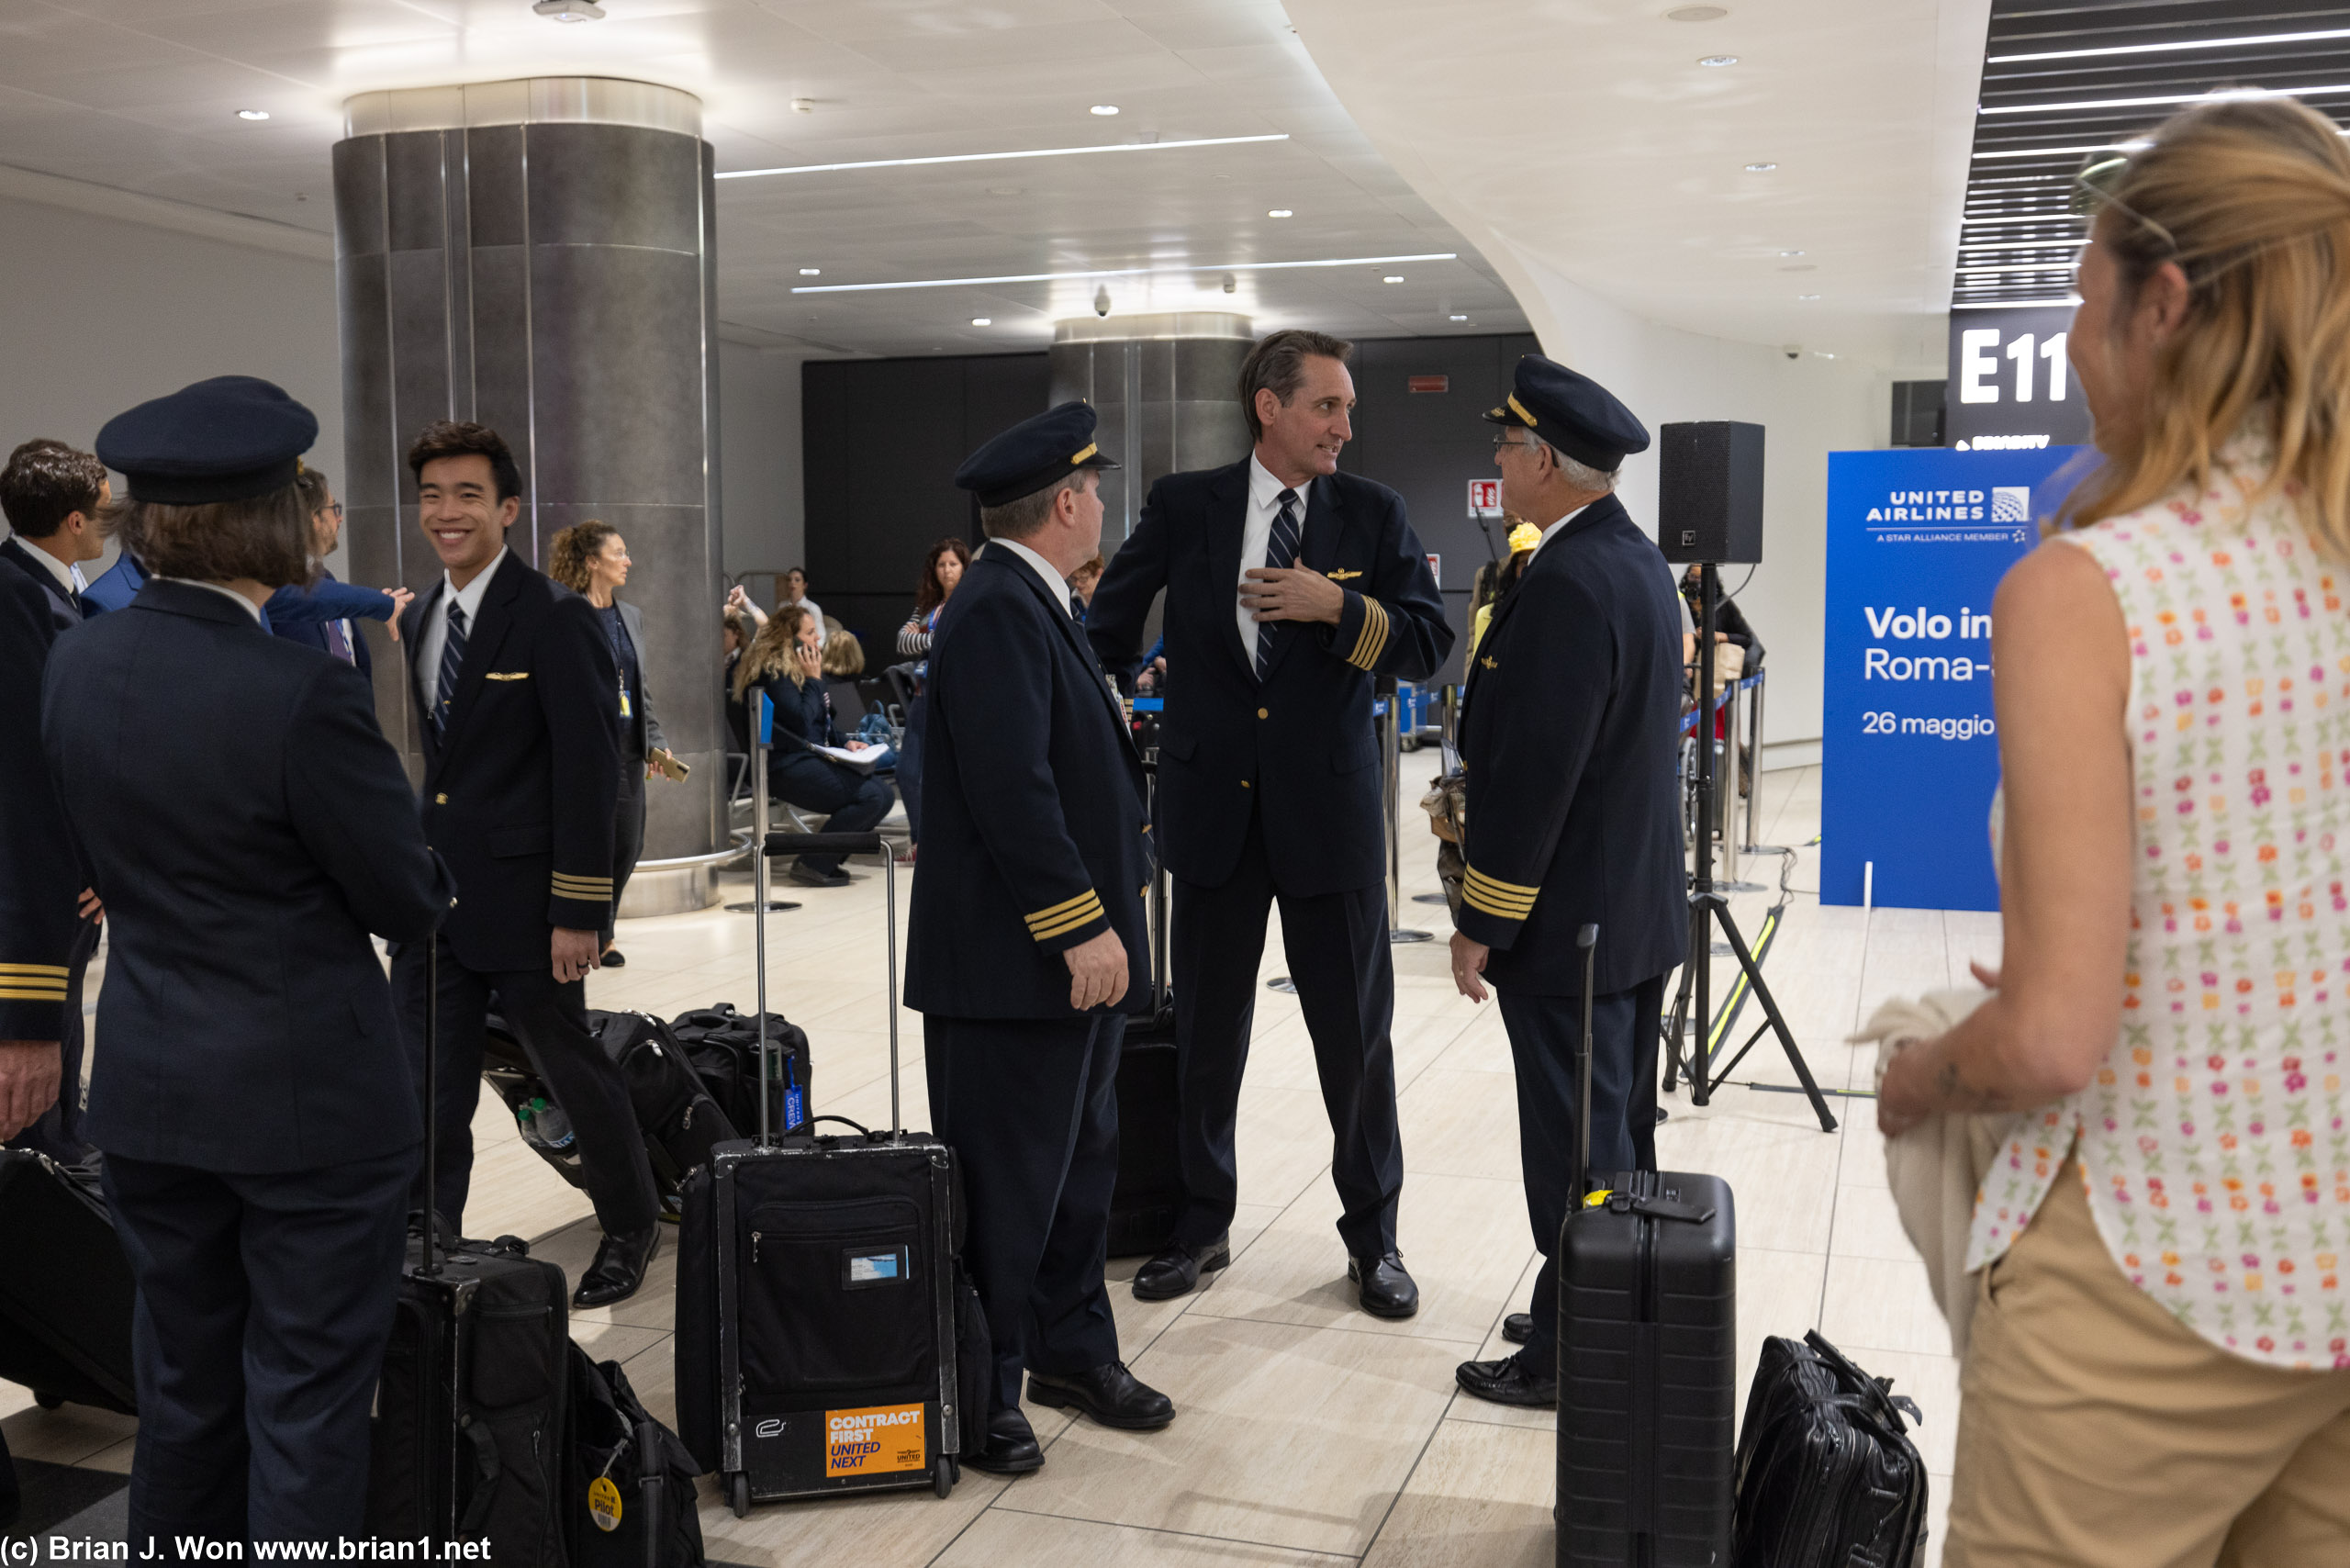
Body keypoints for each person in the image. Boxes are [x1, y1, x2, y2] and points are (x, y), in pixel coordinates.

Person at [1876, 98, 2350, 1567]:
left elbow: (2052, 1037)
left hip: (2152, 1280)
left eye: (2086, 309)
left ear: (2164, 303)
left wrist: (1921, 1074)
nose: (2079, 356)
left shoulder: (2093, 590)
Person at [41, 375, 453, 1557]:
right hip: (307, 1106)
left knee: (182, 1391)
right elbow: (402, 894)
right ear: (272, 521)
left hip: (153, 1088)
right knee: (308, 1396)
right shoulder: (299, 692)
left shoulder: (80, 664)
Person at [1089, 329, 1454, 1316]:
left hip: (1327, 820)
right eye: (1326, 407)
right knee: (1207, 1033)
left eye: (1345, 409)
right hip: (1211, 815)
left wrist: (1334, 605)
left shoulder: (1371, 513)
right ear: (1270, 407)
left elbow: (1427, 643)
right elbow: (1103, 633)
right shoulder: (1186, 504)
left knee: (1355, 1039)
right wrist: (1106, 728)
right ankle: (1199, 1223)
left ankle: (1373, 1240)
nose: (1344, 425)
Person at [904, 401, 1172, 1474]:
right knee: (1008, 1187)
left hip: (1066, 972)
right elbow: (1012, 793)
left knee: (1078, 1171)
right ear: (1064, 502)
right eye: (1095, 489)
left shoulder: (1035, 599)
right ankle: (986, 1384)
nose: (1102, 501)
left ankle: (1070, 1349)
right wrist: (1081, 930)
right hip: (1019, 970)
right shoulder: (1000, 608)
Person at [1447, 355, 1687, 1409]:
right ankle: (1587, 1295)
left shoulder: (1567, 582)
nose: (1497, 461)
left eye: (1505, 446)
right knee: (1618, 1129)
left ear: (1543, 459)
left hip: (1569, 925)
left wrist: (1477, 917)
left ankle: (1571, 1350)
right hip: (1629, 913)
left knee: (1575, 1147)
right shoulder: (1633, 562)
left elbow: (1537, 775)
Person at [392, 420, 660, 1307]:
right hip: (438, 904)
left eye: (467, 495)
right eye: (432, 495)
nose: (446, 512)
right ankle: (430, 1237)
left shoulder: (553, 616)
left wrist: (581, 909)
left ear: (508, 509)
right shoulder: (425, 615)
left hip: (532, 904)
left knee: (570, 1072)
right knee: (428, 1085)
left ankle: (629, 1223)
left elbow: (593, 769)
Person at [0, 439, 109, 1161]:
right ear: (73, 519)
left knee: (58, 1113)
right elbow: (29, 787)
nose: (112, 523)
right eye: (104, 509)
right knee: (30, 1127)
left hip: (64, 899)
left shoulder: (58, 595)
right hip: (31, 910)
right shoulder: (14, 602)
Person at [548, 520, 681, 969]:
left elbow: (639, 691)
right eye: (619, 553)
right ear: (591, 562)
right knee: (598, 843)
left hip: (627, 747)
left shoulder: (632, 617)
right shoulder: (564, 613)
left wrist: (656, 743)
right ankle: (593, 933)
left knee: (628, 843)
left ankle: (600, 927)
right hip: (586, 752)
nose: (628, 561)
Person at [733, 605, 894, 887]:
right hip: (785, 767)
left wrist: (847, 742)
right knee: (872, 796)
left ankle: (822, 860)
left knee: (882, 793)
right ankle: (814, 862)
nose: (818, 640)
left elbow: (822, 724)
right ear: (790, 640)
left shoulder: (799, 672)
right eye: (810, 634)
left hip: (809, 759)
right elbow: (802, 721)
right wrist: (815, 680)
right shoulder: (776, 674)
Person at [265, 465, 411, 669]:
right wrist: (380, 604)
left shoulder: (328, 582)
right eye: (334, 508)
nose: (340, 518)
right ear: (313, 517)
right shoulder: (273, 585)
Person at [894, 536, 970, 847]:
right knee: (907, 772)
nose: (947, 571)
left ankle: (952, 842)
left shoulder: (968, 601)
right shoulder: (927, 606)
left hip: (957, 698)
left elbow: (961, 641)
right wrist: (934, 638)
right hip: (923, 697)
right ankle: (919, 842)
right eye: (941, 565)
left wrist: (927, 637)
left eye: (953, 564)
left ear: (964, 567)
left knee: (954, 777)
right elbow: (902, 642)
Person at [776, 565, 824, 647]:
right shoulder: (782, 606)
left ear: (805, 585)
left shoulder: (813, 608)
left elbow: (821, 635)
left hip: (807, 649)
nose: (792, 583)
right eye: (789, 580)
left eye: (797, 580)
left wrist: (814, 651)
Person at [1069, 553, 1104, 619]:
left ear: (1099, 573)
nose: (1077, 584)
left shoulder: (1111, 598)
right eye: (1074, 579)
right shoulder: (1069, 598)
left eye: (1083, 579)